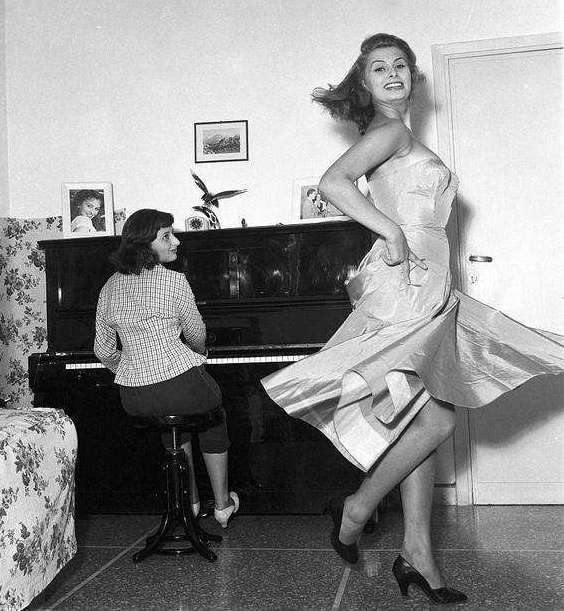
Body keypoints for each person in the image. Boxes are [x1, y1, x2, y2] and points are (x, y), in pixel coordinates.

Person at [261, 33, 564, 604]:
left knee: (418, 418)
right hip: (405, 285)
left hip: (428, 283)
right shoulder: (390, 132)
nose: (393, 73)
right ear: (365, 83)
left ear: (414, 78)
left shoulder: (400, 136)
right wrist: (391, 230)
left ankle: (418, 553)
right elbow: (333, 182)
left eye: (400, 65)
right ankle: (357, 508)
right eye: (379, 68)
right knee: (438, 420)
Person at [94, 208, 239, 527]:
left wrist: (132, 367)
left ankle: (190, 501)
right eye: (166, 236)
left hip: (134, 397)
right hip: (181, 383)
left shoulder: (108, 288)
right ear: (144, 246)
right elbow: (196, 334)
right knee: (213, 414)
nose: (176, 241)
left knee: (172, 422)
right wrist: (199, 355)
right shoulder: (174, 281)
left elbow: (103, 350)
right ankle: (223, 506)